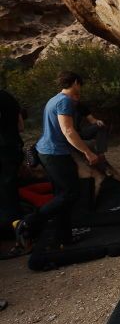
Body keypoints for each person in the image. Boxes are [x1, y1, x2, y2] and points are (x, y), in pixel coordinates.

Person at [13, 71, 99, 250]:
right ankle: (28, 222)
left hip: (48, 151)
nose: (80, 89)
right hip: (54, 153)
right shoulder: (64, 101)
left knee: (61, 195)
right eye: (80, 84)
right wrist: (88, 152)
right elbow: (68, 131)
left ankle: (64, 237)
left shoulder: (55, 99)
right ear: (75, 82)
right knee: (70, 194)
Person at [0, 89, 24, 247]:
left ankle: (13, 234)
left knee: (5, 194)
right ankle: (20, 230)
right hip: (13, 148)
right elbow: (21, 126)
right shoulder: (7, 96)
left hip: (2, 152)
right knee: (10, 192)